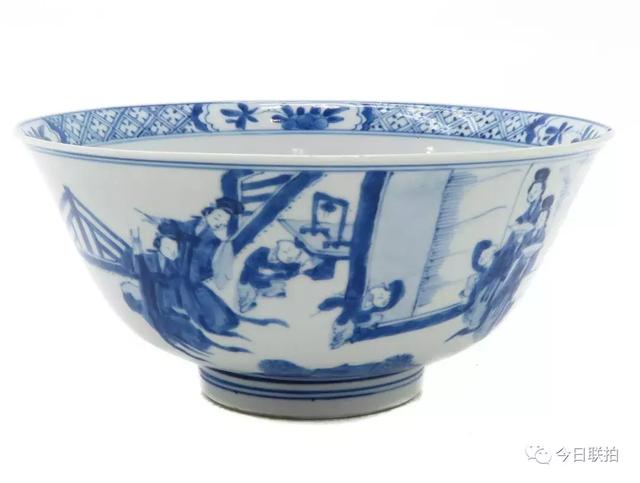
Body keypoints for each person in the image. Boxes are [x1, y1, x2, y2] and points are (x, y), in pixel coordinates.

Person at [120, 228, 247, 359]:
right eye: (167, 247)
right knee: (194, 332)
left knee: (214, 317)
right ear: (159, 246)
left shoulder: (177, 262)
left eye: (174, 248)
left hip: (185, 296)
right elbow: (142, 274)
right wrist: (137, 249)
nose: (172, 251)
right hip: (172, 303)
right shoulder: (152, 262)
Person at [237, 240, 336, 312]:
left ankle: (328, 260)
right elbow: (248, 270)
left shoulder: (289, 260)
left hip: (270, 278)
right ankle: (251, 299)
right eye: (274, 256)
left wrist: (303, 268)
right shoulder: (260, 253)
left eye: (276, 258)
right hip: (255, 280)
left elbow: (289, 273)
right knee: (247, 290)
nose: (273, 258)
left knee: (319, 273)